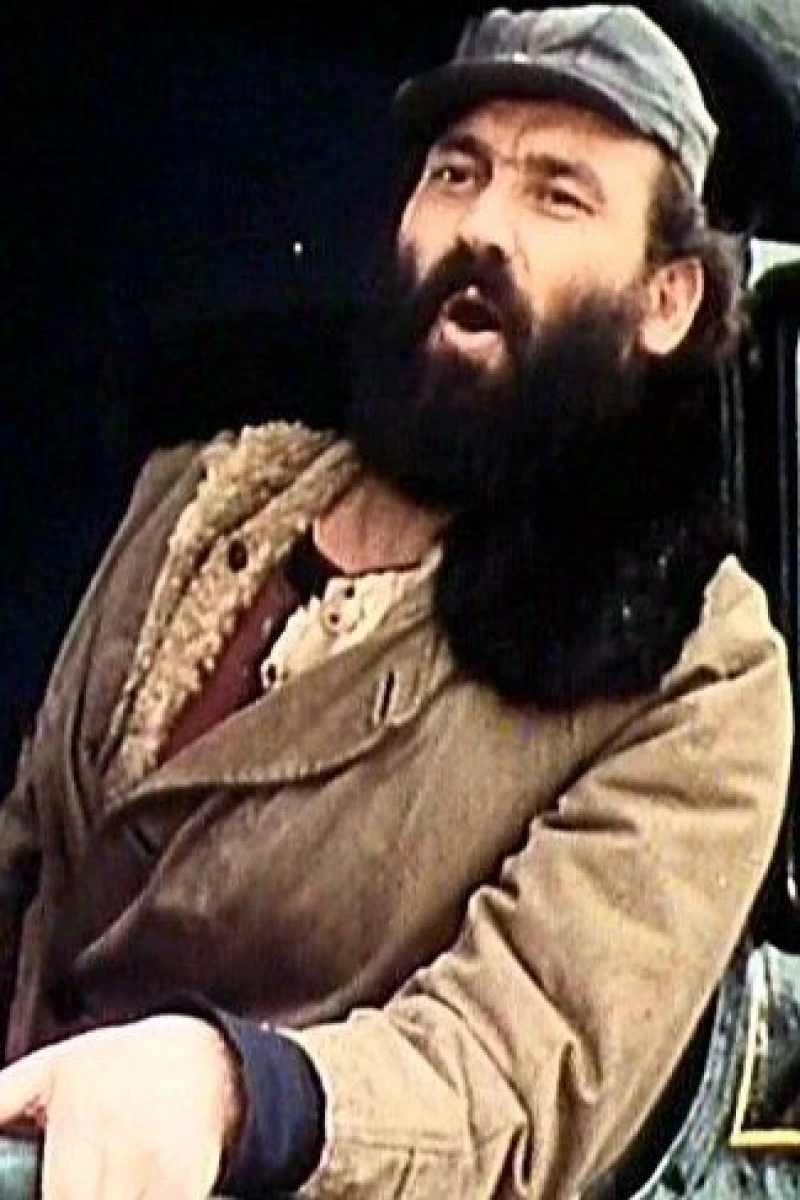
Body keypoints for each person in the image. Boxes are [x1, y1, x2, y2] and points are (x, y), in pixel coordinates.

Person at [0, 5, 792, 1198]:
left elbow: (510, 1081)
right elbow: (29, 854)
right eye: (455, 174)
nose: (481, 226)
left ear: (664, 299)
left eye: (556, 195)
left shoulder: (695, 669)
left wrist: (238, 1095)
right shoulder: (205, 491)